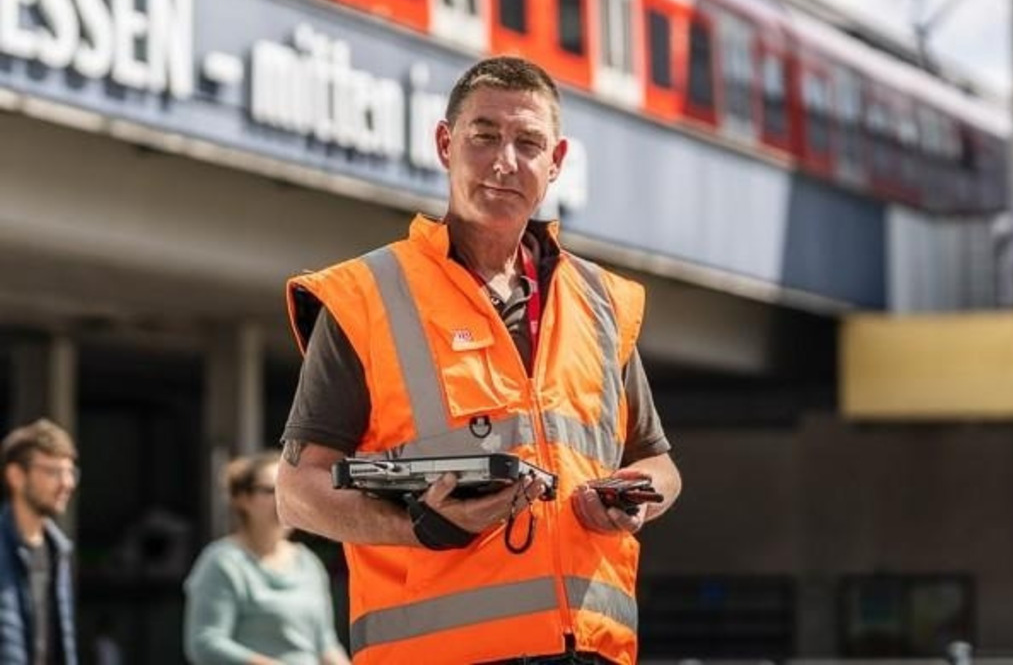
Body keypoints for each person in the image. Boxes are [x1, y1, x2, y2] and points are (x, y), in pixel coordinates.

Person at [277, 55, 682, 665]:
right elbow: (296, 494)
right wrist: (416, 527)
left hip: (593, 653)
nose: (505, 161)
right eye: (484, 136)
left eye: (528, 143)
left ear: (556, 162)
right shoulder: (367, 296)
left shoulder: (599, 301)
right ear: (445, 144)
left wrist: (636, 496)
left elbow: (657, 462)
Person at [183, 450, 350, 665]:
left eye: (290, 489)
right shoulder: (222, 562)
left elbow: (325, 644)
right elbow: (206, 644)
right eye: (271, 490)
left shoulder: (309, 563)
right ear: (243, 499)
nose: (283, 499)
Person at [0, 417, 79, 665]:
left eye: (70, 472)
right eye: (53, 472)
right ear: (16, 476)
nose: (67, 483)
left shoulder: (58, 550)